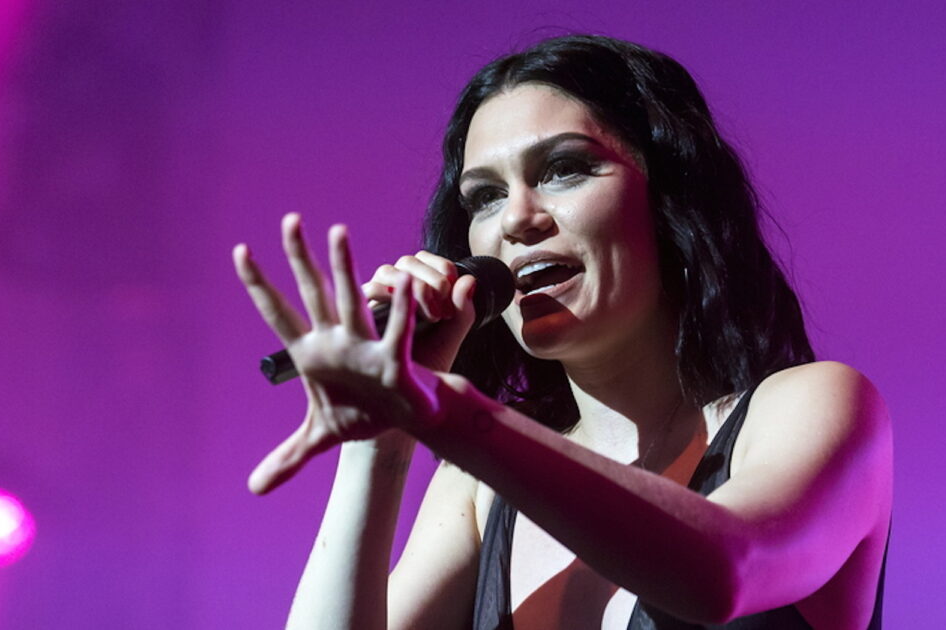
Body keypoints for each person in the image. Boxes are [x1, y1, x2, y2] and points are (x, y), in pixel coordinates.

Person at [232, 35, 892, 629]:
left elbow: (725, 573)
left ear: (670, 198)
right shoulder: (478, 491)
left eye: (564, 168)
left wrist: (452, 415)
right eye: (485, 196)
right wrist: (381, 434)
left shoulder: (815, 404)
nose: (516, 219)